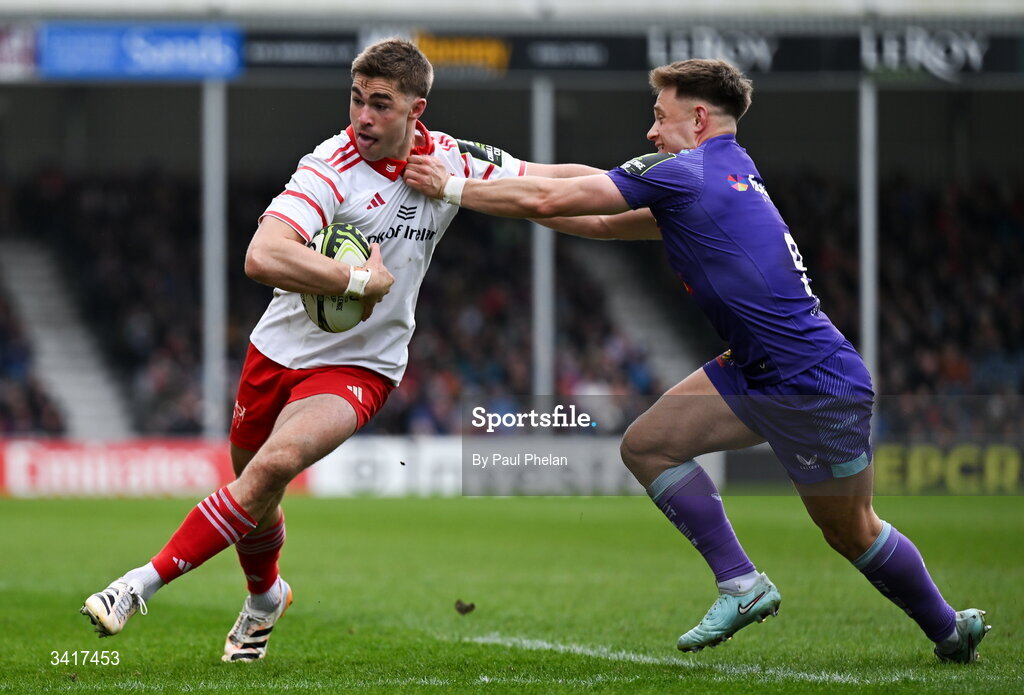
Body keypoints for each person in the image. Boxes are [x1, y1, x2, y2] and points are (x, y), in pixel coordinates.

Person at [403, 58, 990, 663]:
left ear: (699, 117)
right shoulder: (722, 171)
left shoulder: (690, 173)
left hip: (811, 381)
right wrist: (494, 166)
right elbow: (599, 212)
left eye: (661, 117)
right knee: (646, 445)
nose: (652, 132)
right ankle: (740, 582)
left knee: (851, 529)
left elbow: (560, 200)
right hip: (756, 370)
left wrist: (452, 187)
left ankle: (949, 629)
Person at [80, 37, 598, 662]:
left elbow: (553, 183)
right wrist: (358, 281)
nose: (363, 118)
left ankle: (137, 585)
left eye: (381, 104)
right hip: (276, 350)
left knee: (276, 465)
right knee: (254, 483)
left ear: (417, 110)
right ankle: (266, 597)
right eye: (356, 100)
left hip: (362, 363)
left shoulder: (450, 161)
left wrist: (649, 188)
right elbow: (262, 255)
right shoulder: (330, 164)